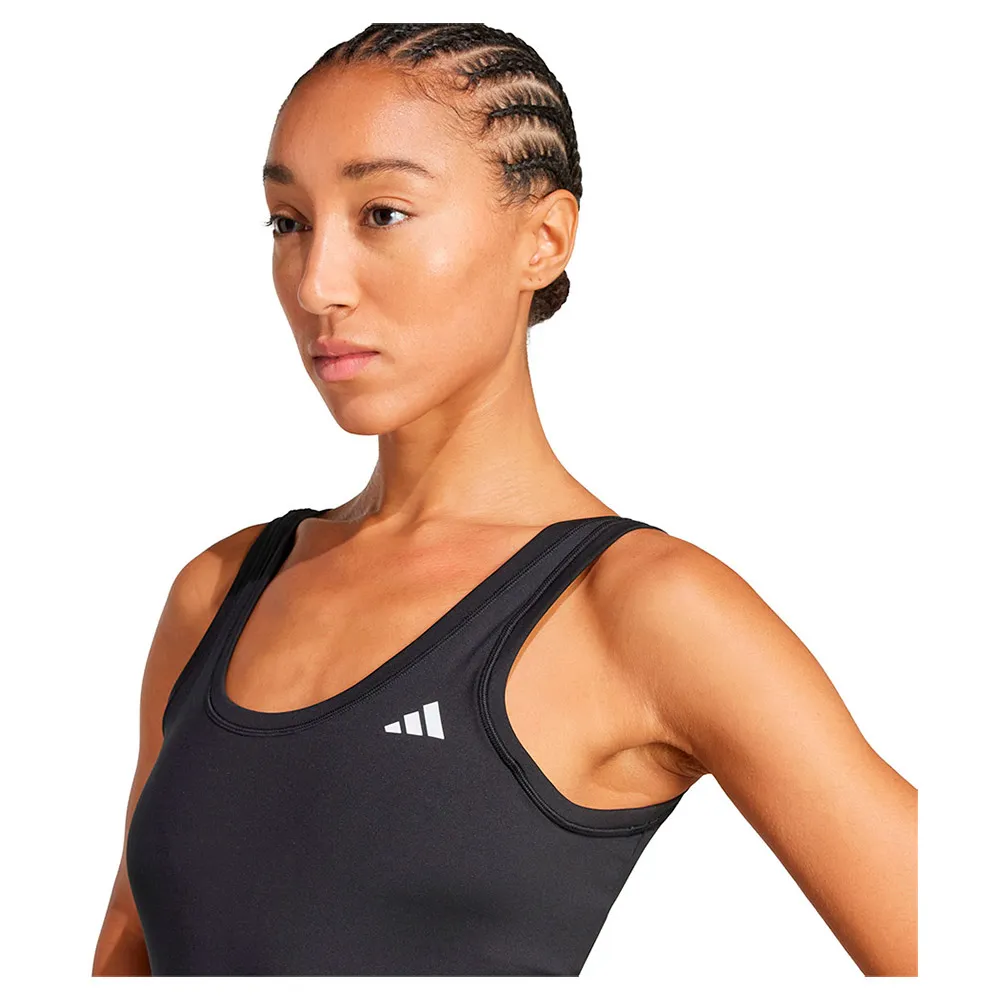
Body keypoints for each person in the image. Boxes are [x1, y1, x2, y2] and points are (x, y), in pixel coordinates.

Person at [91, 22, 916, 977]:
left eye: (383, 213)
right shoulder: (219, 591)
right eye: (289, 222)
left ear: (543, 239)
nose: (317, 284)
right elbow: (132, 938)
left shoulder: (644, 608)